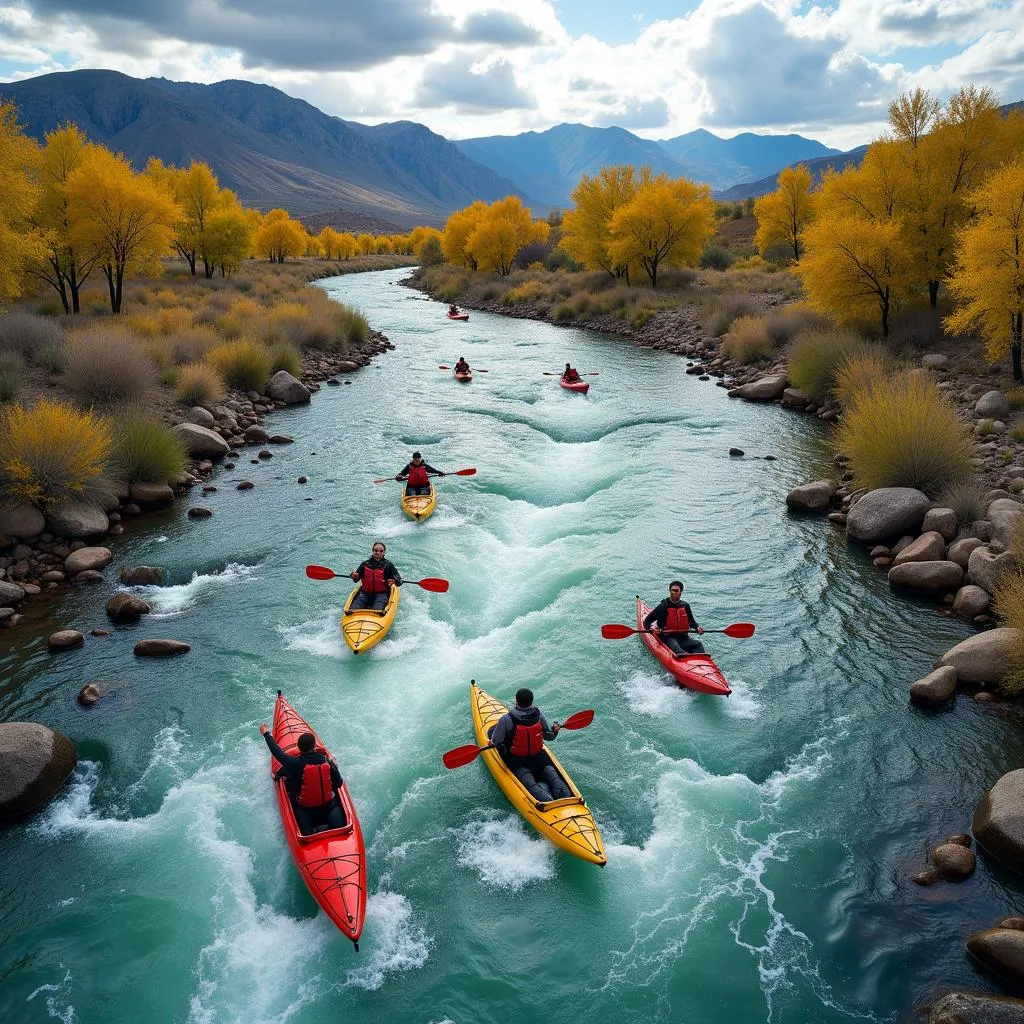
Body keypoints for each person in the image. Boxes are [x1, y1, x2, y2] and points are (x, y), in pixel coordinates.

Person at [259, 723, 346, 835]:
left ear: (299, 749)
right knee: (339, 820)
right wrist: (334, 768)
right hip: (329, 806)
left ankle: (310, 832)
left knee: (305, 830)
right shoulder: (328, 763)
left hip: (305, 808)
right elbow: (338, 784)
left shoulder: (295, 764)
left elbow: (277, 753)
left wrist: (266, 734)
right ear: (315, 747)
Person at [488, 687, 572, 803]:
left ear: (516, 701)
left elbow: (496, 741)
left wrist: (491, 743)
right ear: (532, 701)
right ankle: (566, 797)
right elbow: (549, 736)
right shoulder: (539, 715)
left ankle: (547, 801)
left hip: (517, 761)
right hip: (539, 759)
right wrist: (556, 730)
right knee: (552, 776)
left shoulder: (506, 719)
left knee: (530, 784)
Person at [643, 580, 706, 657]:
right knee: (676, 647)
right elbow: (646, 622)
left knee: (698, 644)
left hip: (683, 638)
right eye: (672, 590)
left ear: (681, 592)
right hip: (668, 637)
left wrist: (698, 627)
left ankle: (703, 662)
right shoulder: (662, 606)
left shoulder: (685, 606)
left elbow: (692, 622)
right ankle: (686, 661)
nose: (673, 593)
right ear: (669, 591)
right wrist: (652, 628)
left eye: (676, 591)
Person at [348, 541, 402, 612]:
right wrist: (353, 576)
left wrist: (396, 579)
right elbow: (355, 580)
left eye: (381, 551)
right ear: (372, 551)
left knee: (376, 611)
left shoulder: (388, 565)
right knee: (352, 611)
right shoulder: (365, 564)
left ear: (384, 552)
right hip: (365, 593)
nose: (378, 552)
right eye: (376, 550)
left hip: (381, 594)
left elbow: (399, 582)